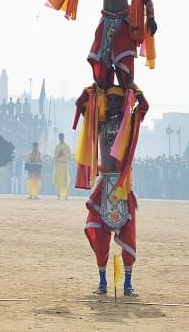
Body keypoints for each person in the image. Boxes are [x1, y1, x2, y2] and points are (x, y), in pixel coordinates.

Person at [75, 85, 148, 296]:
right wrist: (91, 90)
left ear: (124, 101)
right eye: (111, 99)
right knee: (99, 235)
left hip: (123, 186)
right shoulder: (99, 122)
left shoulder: (131, 121)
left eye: (118, 100)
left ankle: (127, 285)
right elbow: (81, 108)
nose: (114, 103)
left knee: (129, 236)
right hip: (104, 183)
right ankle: (102, 282)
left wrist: (134, 88)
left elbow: (144, 106)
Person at [54, 133, 72, 200]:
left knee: (65, 180)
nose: (61, 138)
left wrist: (64, 154)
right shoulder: (57, 147)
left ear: (63, 137)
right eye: (60, 137)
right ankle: (58, 194)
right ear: (59, 138)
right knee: (58, 180)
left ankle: (65, 194)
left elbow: (69, 157)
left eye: (62, 137)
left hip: (64, 165)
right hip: (58, 165)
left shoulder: (67, 147)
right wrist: (58, 155)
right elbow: (54, 157)